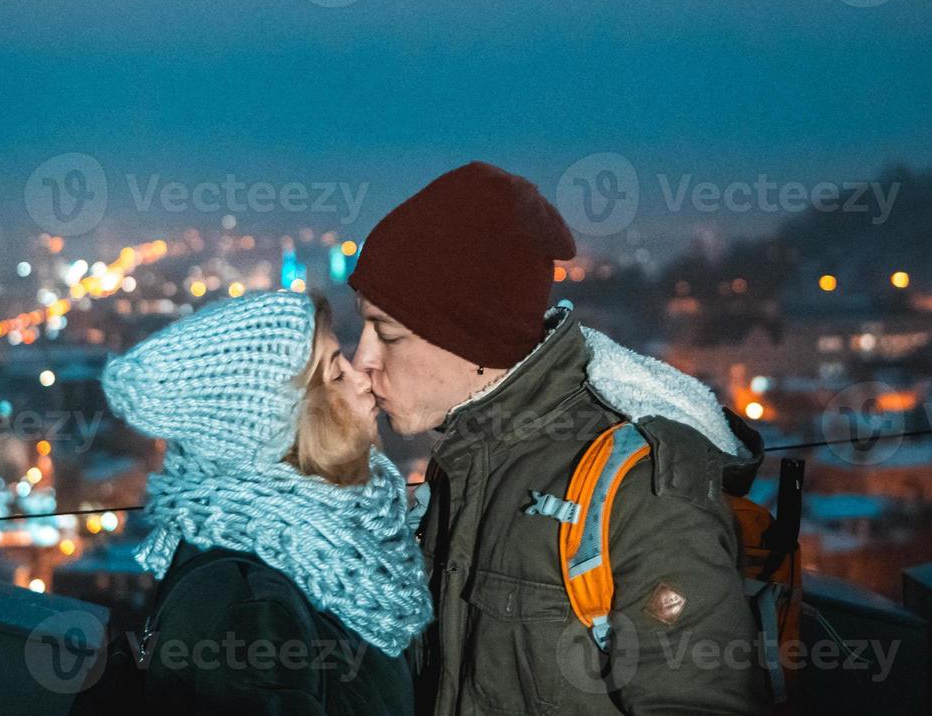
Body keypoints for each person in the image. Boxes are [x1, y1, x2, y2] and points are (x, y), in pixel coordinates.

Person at [348, 161, 769, 715]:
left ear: (472, 335)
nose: (361, 362)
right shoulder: (464, 469)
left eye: (388, 333)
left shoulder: (636, 493)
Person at [101, 290, 432, 716]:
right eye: (335, 376)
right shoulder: (252, 609)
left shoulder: (318, 550)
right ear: (282, 425)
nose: (362, 379)